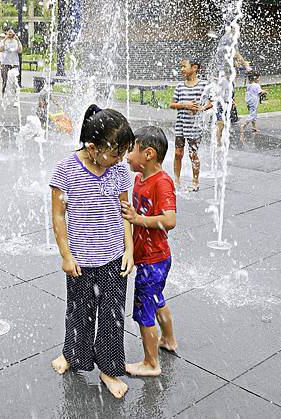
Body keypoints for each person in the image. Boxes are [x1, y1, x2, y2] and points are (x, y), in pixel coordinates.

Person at [49, 105, 135, 399]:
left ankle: (110, 370)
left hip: (113, 256)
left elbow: (126, 211)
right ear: (93, 147)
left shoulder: (120, 171)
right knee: (79, 311)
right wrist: (65, 255)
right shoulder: (67, 169)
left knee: (113, 316)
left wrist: (130, 249)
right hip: (81, 259)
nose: (120, 160)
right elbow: (58, 215)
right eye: (115, 154)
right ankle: (73, 354)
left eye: (123, 154)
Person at [120, 126, 178, 377]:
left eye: (132, 149)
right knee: (156, 300)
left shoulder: (162, 182)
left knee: (144, 309)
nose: (127, 155)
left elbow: (170, 220)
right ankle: (169, 340)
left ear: (149, 154)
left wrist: (137, 219)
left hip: (155, 258)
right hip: (150, 257)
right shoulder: (138, 179)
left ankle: (151, 363)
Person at [170, 59, 211, 192]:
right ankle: (176, 180)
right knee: (178, 153)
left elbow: (212, 102)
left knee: (193, 154)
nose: (181, 69)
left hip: (194, 126)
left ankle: (195, 181)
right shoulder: (180, 86)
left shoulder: (204, 85)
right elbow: (172, 104)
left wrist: (201, 108)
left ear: (194, 68)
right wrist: (185, 105)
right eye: (180, 66)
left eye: (184, 66)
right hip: (181, 125)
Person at [0, 29, 23, 97]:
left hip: (14, 63)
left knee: (15, 81)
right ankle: (4, 96)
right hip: (5, 63)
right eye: (9, 32)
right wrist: (5, 39)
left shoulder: (16, 41)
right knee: (5, 81)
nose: (10, 33)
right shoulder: (3, 41)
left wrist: (17, 40)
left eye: (12, 32)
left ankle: (16, 98)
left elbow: (20, 50)